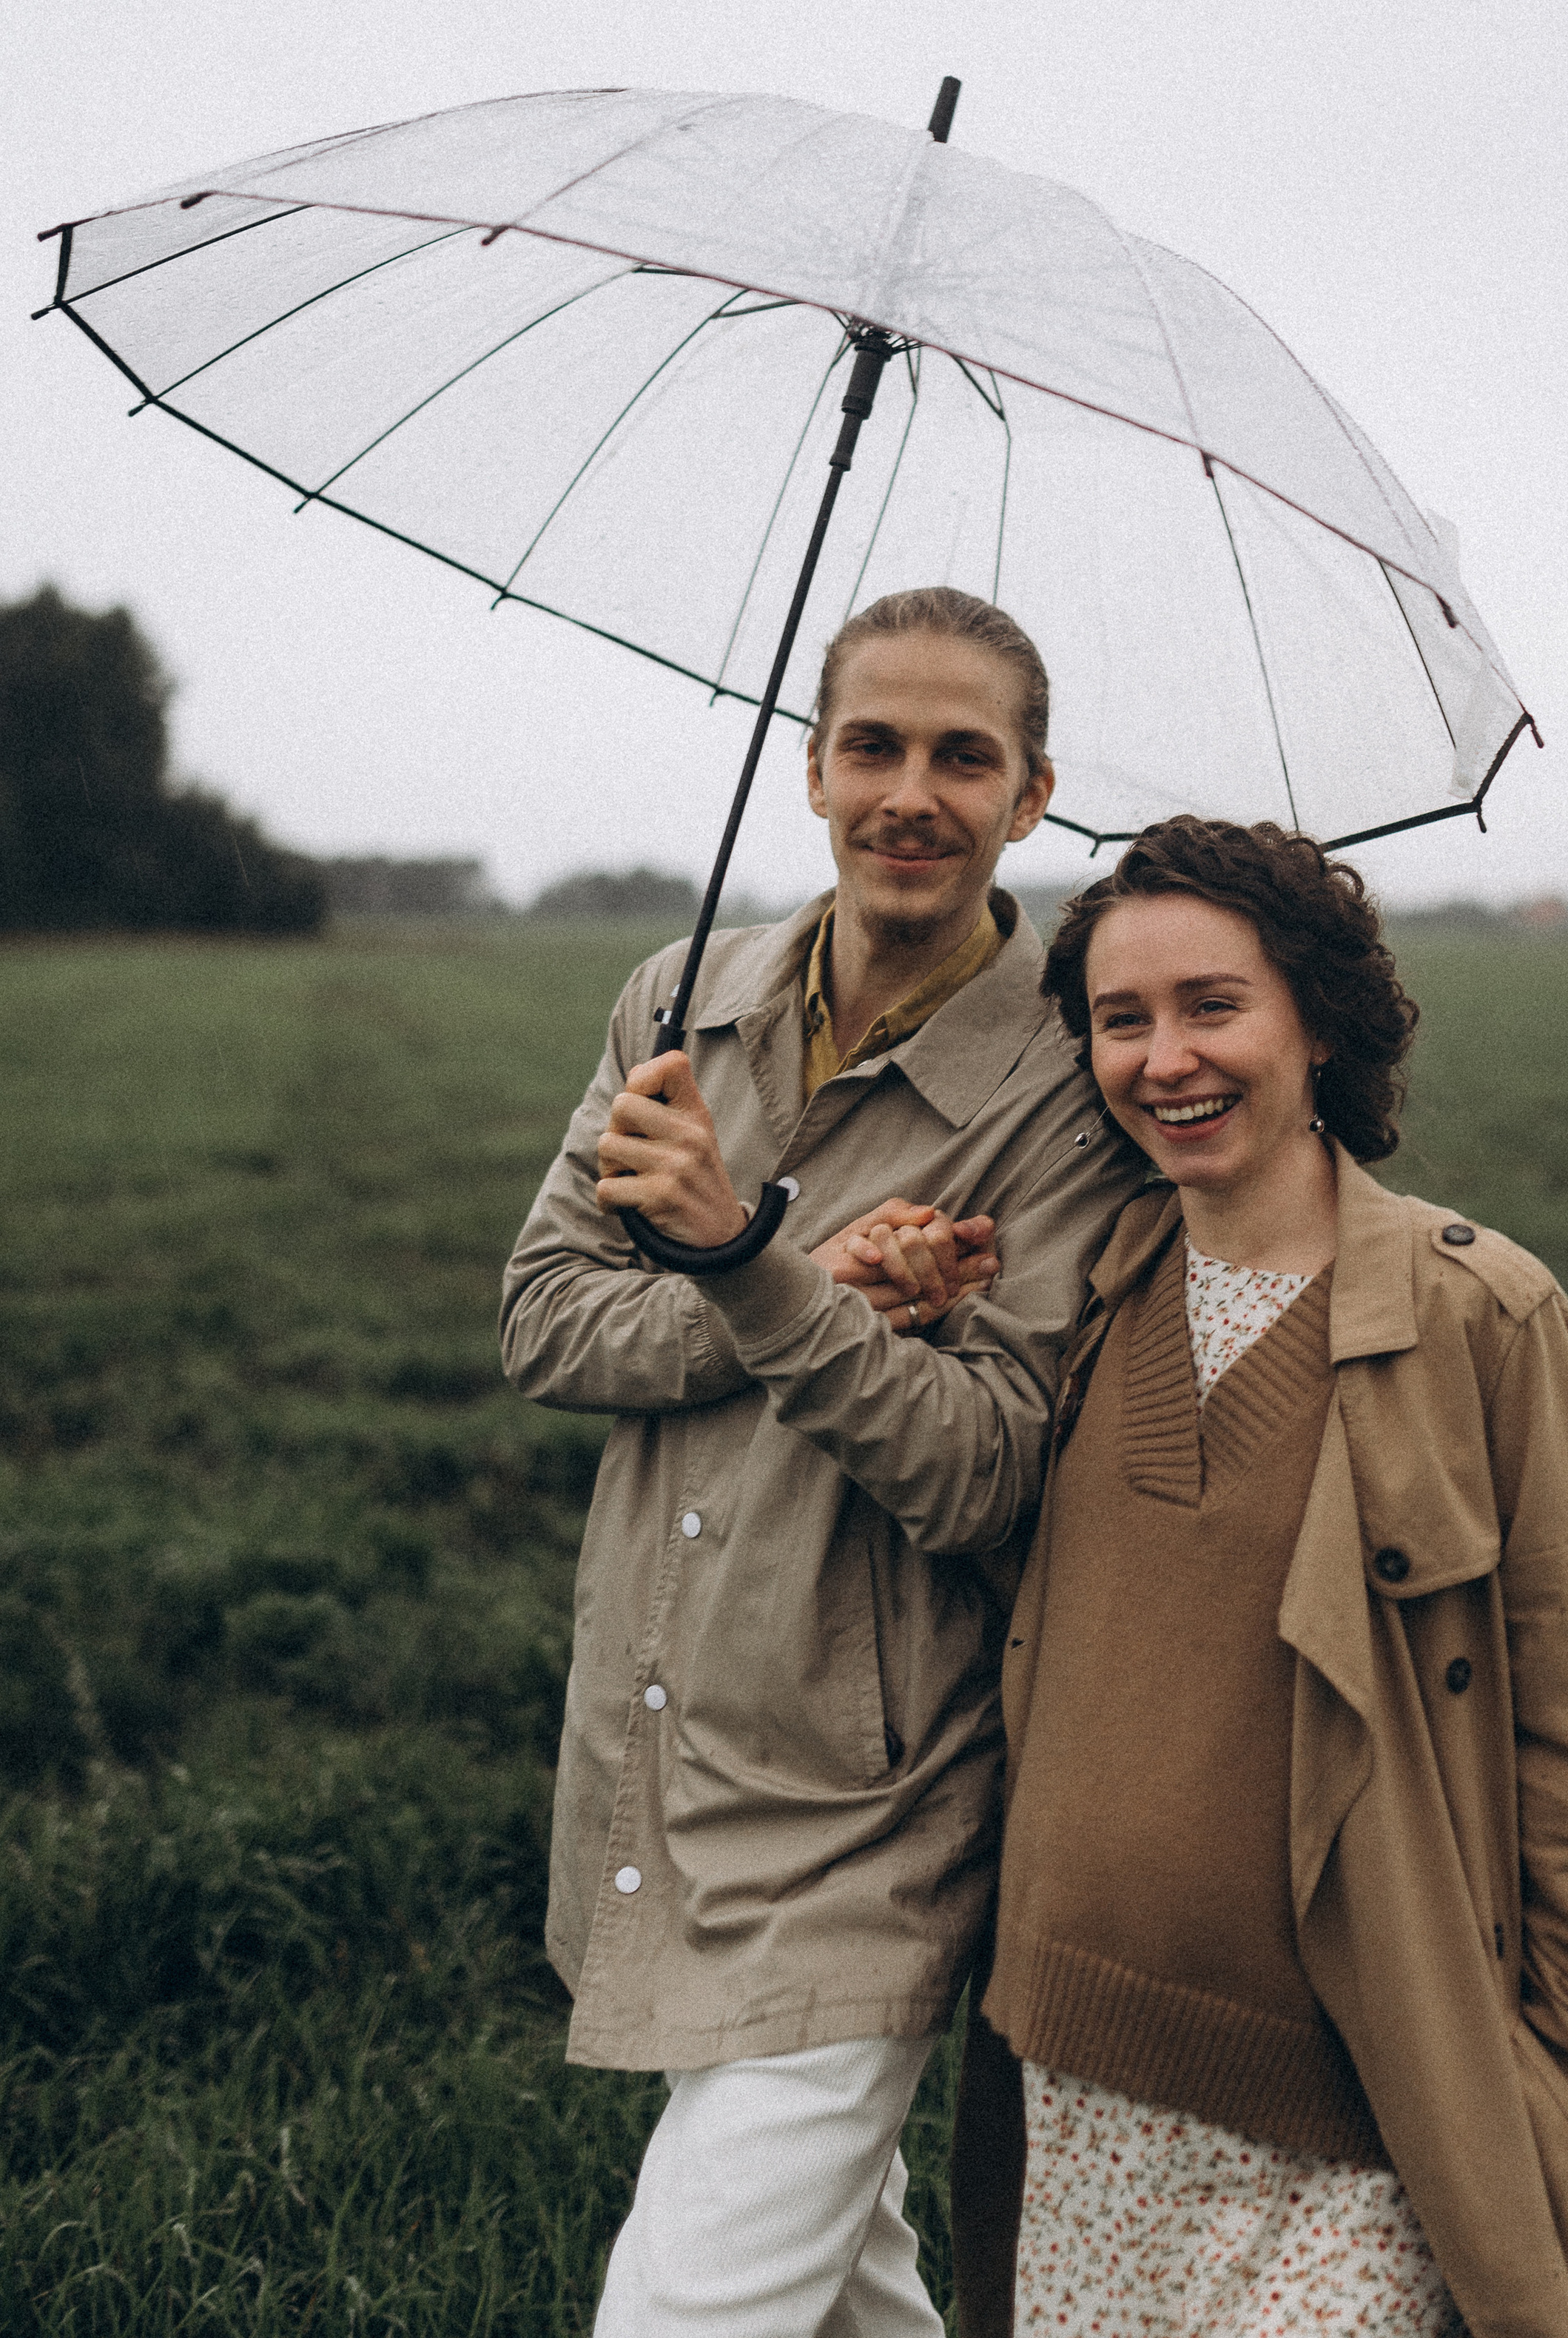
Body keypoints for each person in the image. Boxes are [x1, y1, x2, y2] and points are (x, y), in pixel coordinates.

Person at [501, 586, 1145, 2338]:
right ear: (808, 768)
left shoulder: (1070, 1084)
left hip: (870, 1806)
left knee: (685, 2313)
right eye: (872, 744)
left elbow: (982, 1474)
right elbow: (548, 1324)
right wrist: (795, 1288)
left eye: (964, 755)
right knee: (847, 2290)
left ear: (1030, 797)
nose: (908, 793)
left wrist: (747, 1265)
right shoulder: (678, 1001)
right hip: (658, 1730)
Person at [949, 816, 1568, 2338]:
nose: (1164, 1058)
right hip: (1074, 2074)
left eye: (1213, 1004)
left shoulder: (1483, 1313)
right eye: (1119, 1019)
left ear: (1320, 1019)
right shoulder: (1084, 1286)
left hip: (1355, 2098)